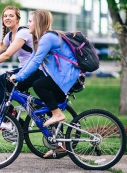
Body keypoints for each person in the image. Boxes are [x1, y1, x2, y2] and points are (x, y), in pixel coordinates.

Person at [9, 9, 81, 157]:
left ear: (38, 22)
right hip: (63, 77)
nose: (27, 24)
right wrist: (18, 74)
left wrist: (19, 78)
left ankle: (57, 114)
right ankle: (60, 145)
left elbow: (36, 62)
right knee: (46, 104)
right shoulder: (42, 39)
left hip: (67, 77)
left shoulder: (47, 38)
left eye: (30, 21)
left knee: (38, 85)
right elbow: (31, 59)